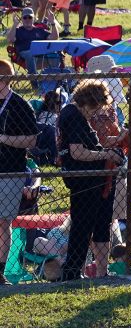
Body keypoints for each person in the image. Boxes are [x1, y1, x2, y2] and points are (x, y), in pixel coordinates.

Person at [56, 80, 125, 280]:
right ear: (88, 101)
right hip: (83, 179)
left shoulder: (74, 114)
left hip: (95, 179)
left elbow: (91, 146)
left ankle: (83, 271)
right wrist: (106, 155)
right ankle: (72, 271)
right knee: (82, 226)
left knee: (96, 224)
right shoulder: (74, 116)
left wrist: (111, 149)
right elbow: (77, 152)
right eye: (95, 108)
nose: (94, 113)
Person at [0, 59, 37, 283]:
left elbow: (32, 140)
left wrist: (4, 139)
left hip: (11, 171)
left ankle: (0, 269)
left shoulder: (20, 105)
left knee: (4, 222)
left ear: (5, 80)